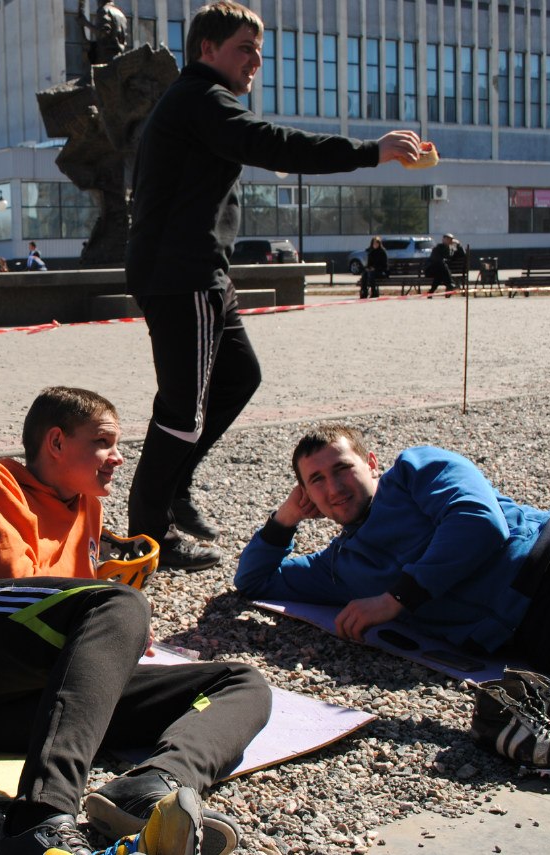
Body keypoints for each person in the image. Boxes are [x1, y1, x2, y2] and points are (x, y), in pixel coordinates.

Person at [0, 387, 272, 855]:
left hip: (11, 712)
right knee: (122, 606)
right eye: (103, 442)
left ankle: (156, 783)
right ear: (56, 442)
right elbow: (14, 592)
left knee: (242, 682)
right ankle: (39, 816)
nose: (117, 458)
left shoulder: (87, 505)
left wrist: (109, 635)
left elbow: (71, 610)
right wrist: (113, 618)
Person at [124, 1, 422, 572]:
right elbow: (273, 143)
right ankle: (147, 534)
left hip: (194, 271)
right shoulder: (201, 99)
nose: (256, 60)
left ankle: (174, 486)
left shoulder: (198, 102)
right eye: (245, 48)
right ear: (207, 49)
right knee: (182, 411)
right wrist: (369, 152)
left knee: (240, 376)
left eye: (260, 49)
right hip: (183, 274)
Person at [234, 423, 550, 682]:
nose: (334, 488)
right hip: (537, 632)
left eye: (343, 468)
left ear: (372, 464)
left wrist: (396, 599)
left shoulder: (416, 470)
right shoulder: (337, 568)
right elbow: (254, 580)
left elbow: (479, 523)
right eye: (316, 481)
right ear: (307, 495)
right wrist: (285, 518)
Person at [77, 0, 128, 65]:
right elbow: (123, 41)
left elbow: (103, 33)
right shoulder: (121, 14)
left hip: (105, 60)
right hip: (118, 60)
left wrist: (85, 23)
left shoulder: (104, 10)